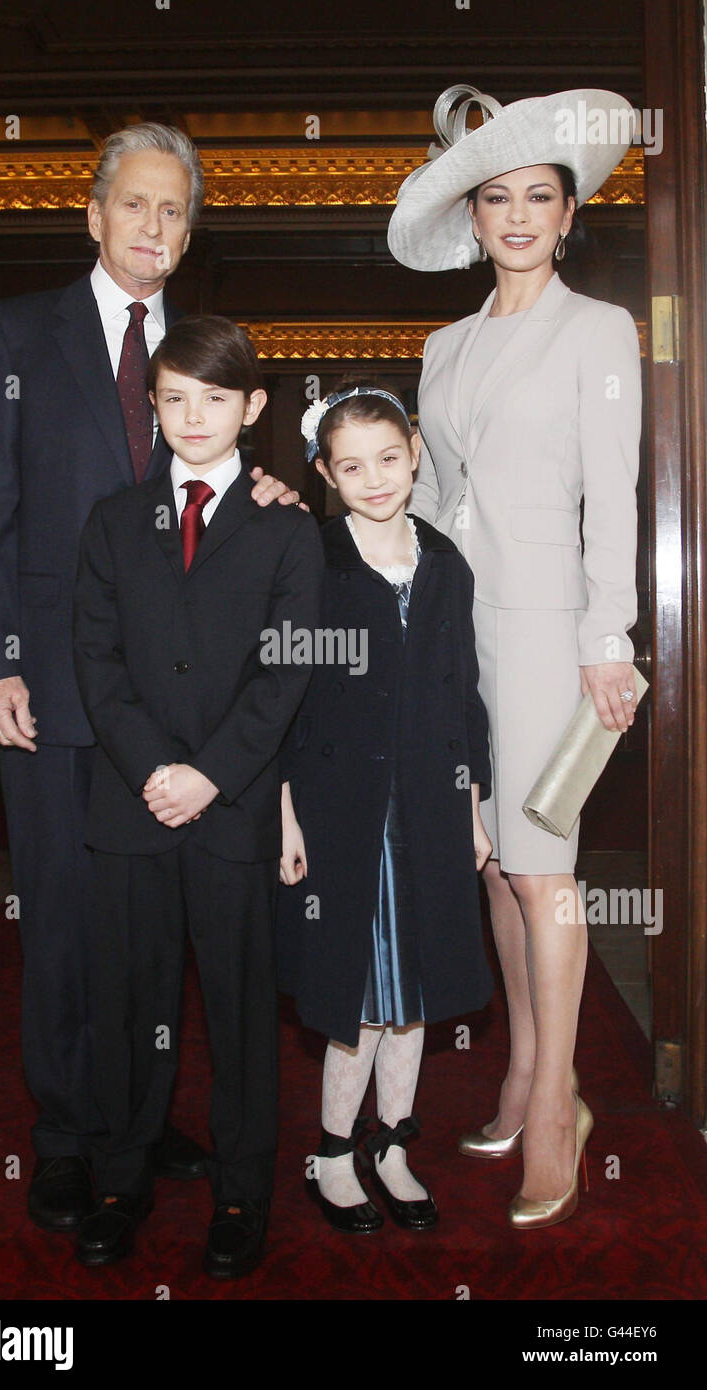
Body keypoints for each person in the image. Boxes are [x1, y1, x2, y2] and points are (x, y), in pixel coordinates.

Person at [0, 123, 299, 1235]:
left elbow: (218, 470)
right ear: (93, 214)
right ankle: (67, 1134)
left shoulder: (194, 351)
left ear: (187, 234)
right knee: (60, 918)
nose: (154, 228)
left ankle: (137, 1121)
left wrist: (272, 496)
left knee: (159, 934)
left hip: (186, 706)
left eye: (173, 213)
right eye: (135, 206)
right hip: (54, 684)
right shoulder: (12, 335)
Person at [387, 85, 642, 1228]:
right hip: (457, 638)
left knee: (543, 867)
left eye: (538, 195)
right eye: (496, 198)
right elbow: (432, 497)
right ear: (474, 219)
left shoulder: (598, 330)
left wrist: (607, 639)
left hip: (547, 633)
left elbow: (613, 497)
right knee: (493, 865)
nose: (518, 215)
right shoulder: (438, 345)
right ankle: (519, 1071)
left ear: (566, 211)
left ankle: (555, 1103)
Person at [72, 315, 324, 1276]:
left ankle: (241, 1193)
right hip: (130, 809)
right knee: (129, 1004)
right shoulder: (110, 521)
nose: (191, 416)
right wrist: (152, 771)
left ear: (252, 408)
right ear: (153, 405)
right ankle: (119, 1179)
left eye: (214, 398)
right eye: (172, 398)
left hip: (232, 810)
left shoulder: (286, 529)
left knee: (240, 1009)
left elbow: (287, 673)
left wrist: (210, 774)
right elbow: (95, 661)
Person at [276, 380, 494, 1234]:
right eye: (352, 465)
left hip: (430, 812)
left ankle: (393, 1144)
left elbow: (462, 695)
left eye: (389, 459)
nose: (375, 478)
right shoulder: (312, 561)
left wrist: (473, 806)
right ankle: (331, 1151)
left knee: (417, 991)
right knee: (356, 992)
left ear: (412, 454)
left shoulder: (443, 561)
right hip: (341, 813)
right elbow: (284, 694)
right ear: (326, 474)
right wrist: (284, 814)